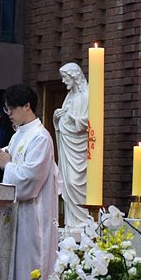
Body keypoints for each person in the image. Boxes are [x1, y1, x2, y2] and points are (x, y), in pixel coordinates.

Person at [0, 84, 60, 280]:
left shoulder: (40, 137)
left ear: (27, 106)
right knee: (12, 271)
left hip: (32, 218)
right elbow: (5, 168)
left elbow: (30, 179)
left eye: (11, 108)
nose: (8, 113)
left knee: (28, 270)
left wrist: (6, 165)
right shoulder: (18, 135)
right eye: (6, 109)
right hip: (14, 216)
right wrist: (1, 166)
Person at [53, 62, 89, 232]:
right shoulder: (69, 97)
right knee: (67, 182)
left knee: (76, 182)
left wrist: (73, 118)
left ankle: (82, 222)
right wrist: (56, 119)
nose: (63, 81)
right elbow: (63, 121)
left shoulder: (86, 96)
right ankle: (71, 223)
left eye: (65, 77)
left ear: (74, 76)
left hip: (79, 147)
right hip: (67, 145)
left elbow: (88, 122)